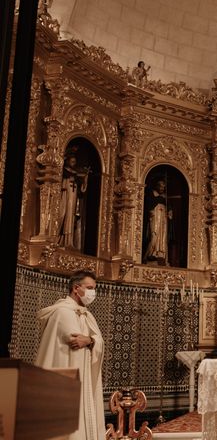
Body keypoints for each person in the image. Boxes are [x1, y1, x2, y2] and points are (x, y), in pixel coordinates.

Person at [35, 270, 105, 440]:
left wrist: (90, 340)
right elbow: (75, 340)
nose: (92, 293)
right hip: (67, 379)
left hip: (83, 379)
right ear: (76, 288)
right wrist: (90, 340)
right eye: (89, 288)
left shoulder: (86, 314)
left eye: (94, 289)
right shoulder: (62, 312)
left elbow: (94, 341)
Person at [58, 155, 89, 249]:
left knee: (71, 218)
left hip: (73, 201)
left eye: (74, 162)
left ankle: (69, 241)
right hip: (65, 199)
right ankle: (60, 239)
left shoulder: (76, 176)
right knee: (63, 215)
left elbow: (82, 190)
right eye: (72, 161)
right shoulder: (65, 174)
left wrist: (85, 179)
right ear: (68, 162)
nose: (73, 163)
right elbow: (60, 185)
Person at [144, 179, 173, 265]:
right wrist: (151, 212)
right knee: (154, 234)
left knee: (163, 235)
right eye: (160, 186)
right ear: (156, 186)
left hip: (163, 217)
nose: (162, 188)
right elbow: (149, 204)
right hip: (155, 215)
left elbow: (169, 206)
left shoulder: (164, 196)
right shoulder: (152, 194)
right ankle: (152, 252)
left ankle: (161, 253)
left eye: (163, 187)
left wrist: (170, 211)